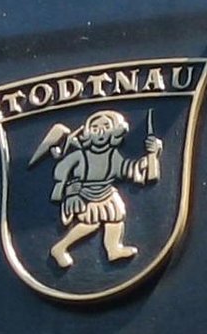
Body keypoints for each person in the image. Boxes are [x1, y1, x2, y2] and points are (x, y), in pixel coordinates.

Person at [36, 110, 162, 269]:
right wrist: (66, 189)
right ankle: (60, 248)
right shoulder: (81, 156)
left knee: (115, 218)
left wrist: (152, 155)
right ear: (88, 133)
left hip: (107, 193)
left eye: (105, 127)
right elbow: (62, 168)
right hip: (85, 195)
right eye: (95, 128)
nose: (100, 132)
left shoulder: (112, 155)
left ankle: (113, 249)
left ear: (114, 131)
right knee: (90, 224)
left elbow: (127, 169)